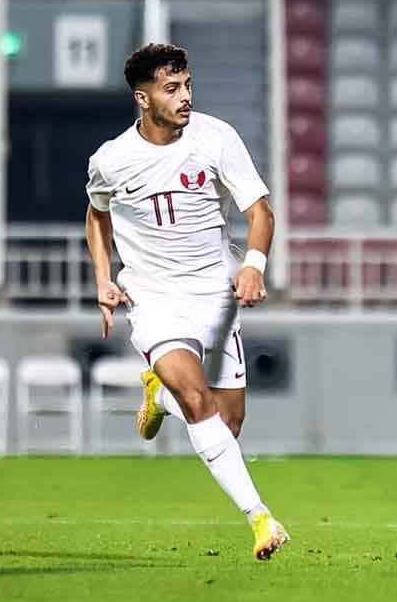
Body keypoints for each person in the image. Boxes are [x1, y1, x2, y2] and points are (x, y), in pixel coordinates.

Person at [84, 43, 288, 561]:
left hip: (215, 296)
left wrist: (253, 266)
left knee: (227, 422)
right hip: (154, 299)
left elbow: (260, 212)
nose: (185, 97)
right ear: (143, 97)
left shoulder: (216, 138)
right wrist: (104, 278)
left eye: (188, 85)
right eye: (171, 88)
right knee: (200, 403)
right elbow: (97, 214)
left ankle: (159, 396)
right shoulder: (111, 160)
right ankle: (261, 519)